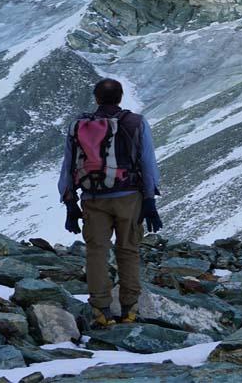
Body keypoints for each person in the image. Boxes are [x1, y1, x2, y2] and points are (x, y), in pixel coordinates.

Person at [58, 78, 162, 327]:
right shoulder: (135, 122)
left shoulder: (78, 125)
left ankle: (102, 309)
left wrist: (70, 204)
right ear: (121, 97)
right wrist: (150, 200)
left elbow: (68, 165)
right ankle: (129, 308)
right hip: (128, 197)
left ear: (96, 99)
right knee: (128, 250)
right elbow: (147, 162)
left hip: (93, 199)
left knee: (97, 252)